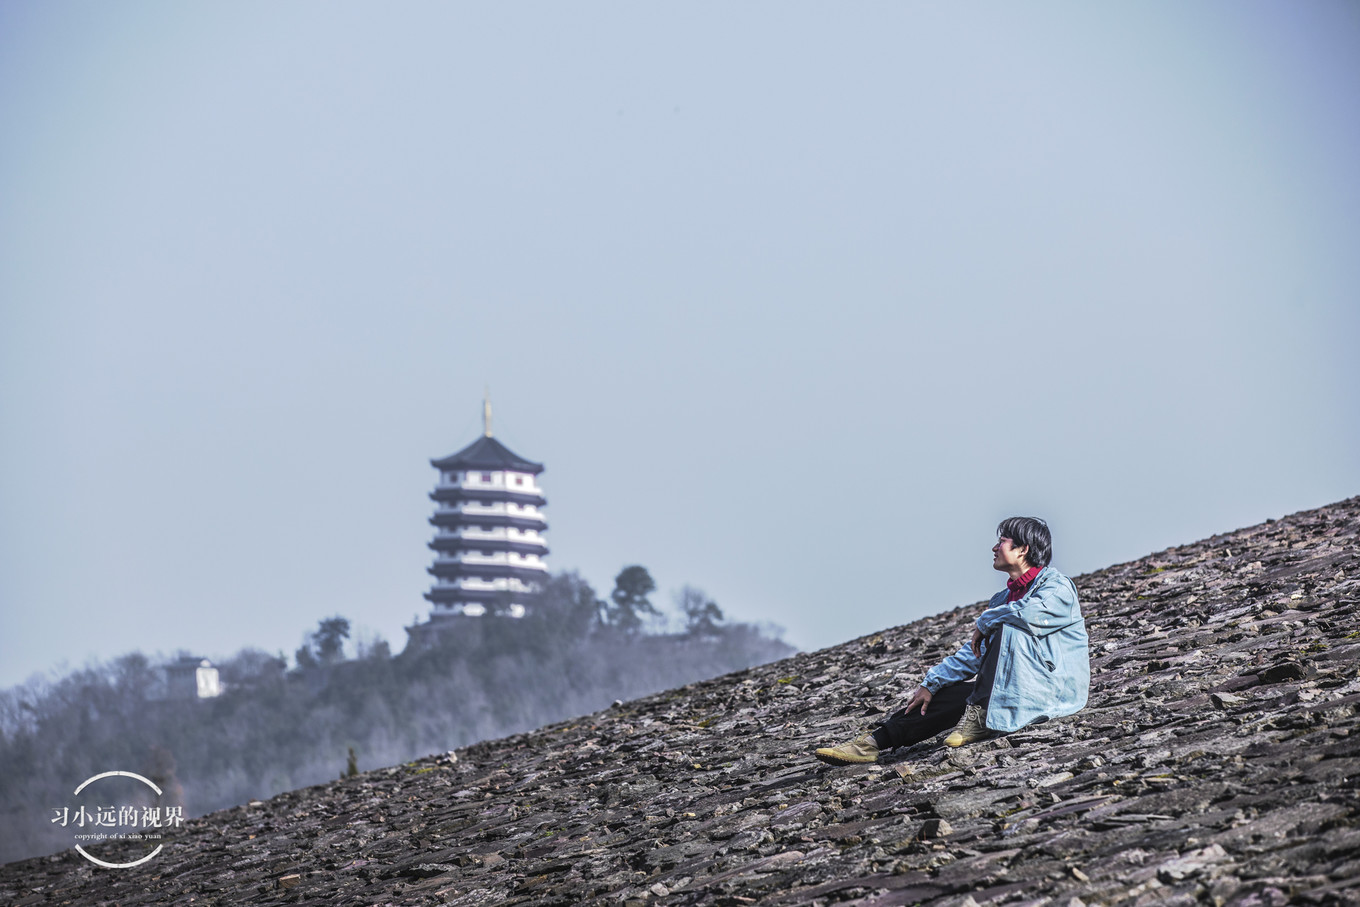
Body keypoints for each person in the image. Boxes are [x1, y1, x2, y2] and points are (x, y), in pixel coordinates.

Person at [815, 517, 1089, 766]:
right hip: (1010, 688)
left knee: (1010, 627)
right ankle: (874, 743)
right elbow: (974, 654)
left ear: (1023, 549)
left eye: (1002, 541)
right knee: (945, 695)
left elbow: (1030, 615)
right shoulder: (1002, 601)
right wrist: (931, 684)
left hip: (1050, 690)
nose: (994, 548)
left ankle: (980, 715)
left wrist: (986, 621)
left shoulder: (1056, 586)